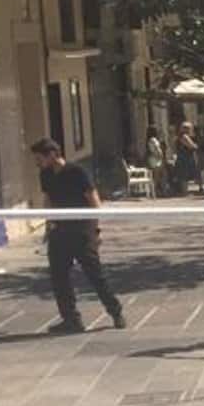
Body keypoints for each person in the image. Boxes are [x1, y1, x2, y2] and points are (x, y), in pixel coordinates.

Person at [31, 138, 125, 333]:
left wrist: (95, 230)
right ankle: (71, 319)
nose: (37, 162)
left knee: (95, 274)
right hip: (59, 231)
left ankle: (115, 311)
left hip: (81, 230)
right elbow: (48, 199)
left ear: (53, 155)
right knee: (59, 277)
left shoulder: (76, 172)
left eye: (40, 158)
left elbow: (93, 199)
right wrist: (48, 226)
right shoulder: (45, 174)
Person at [172, 122, 201, 193]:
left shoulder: (178, 137)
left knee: (183, 175)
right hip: (186, 157)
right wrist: (196, 145)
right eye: (189, 128)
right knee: (184, 175)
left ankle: (184, 191)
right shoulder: (184, 136)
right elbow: (192, 146)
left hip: (181, 156)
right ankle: (185, 191)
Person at [144, 128, 166, 197]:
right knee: (158, 175)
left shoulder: (149, 140)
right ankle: (155, 190)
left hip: (153, 159)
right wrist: (160, 155)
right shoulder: (153, 140)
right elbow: (156, 149)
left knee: (158, 175)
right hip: (155, 159)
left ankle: (157, 190)